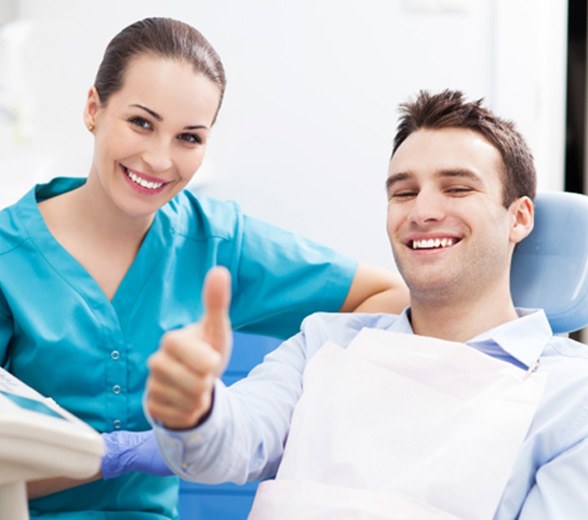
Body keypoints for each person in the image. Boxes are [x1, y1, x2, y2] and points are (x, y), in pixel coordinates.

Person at [0, 17, 409, 520]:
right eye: (141, 123)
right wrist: (110, 458)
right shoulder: (9, 257)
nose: (158, 159)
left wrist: (253, 409)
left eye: (189, 138)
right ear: (93, 109)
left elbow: (389, 298)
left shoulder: (216, 241)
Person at [146, 89, 588, 519]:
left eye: (456, 189)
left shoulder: (572, 396)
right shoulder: (323, 342)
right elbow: (233, 443)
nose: (422, 211)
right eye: (403, 192)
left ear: (520, 217)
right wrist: (195, 409)